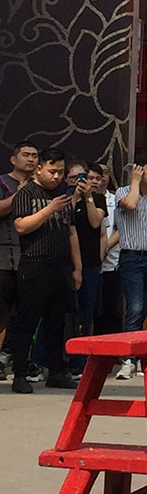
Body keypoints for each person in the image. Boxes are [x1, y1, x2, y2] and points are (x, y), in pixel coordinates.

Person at [7, 148, 81, 394]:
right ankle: (19, 374)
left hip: (61, 265)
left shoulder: (62, 193)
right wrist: (49, 209)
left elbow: (71, 231)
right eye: (52, 171)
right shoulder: (26, 192)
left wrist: (77, 267)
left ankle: (56, 372)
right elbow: (21, 226)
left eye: (60, 171)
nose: (56, 176)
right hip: (35, 264)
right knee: (27, 321)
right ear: (39, 168)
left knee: (57, 321)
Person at [113, 154, 147, 380]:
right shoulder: (124, 192)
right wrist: (134, 181)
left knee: (143, 309)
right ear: (138, 170)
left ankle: (134, 354)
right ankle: (127, 359)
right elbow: (131, 205)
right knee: (133, 308)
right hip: (131, 258)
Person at [0, 140, 40, 355]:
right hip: (4, 256)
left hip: (33, 257)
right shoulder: (3, 182)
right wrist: (20, 194)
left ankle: (22, 360)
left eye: (34, 155)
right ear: (14, 159)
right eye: (26, 154)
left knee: (27, 313)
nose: (31, 159)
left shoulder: (42, 184)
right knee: (2, 312)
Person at [67, 161, 107, 371]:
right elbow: (66, 218)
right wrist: (74, 196)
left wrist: (88, 196)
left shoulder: (98, 199)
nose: (81, 183)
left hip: (90, 263)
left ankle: (80, 363)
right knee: (62, 314)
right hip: (65, 263)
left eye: (85, 178)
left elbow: (95, 222)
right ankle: (50, 361)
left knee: (86, 314)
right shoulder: (64, 198)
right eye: (76, 179)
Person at [96, 162, 123, 335]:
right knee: (94, 310)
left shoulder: (116, 200)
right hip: (91, 263)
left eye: (105, 173)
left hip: (112, 263)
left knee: (112, 309)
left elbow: (120, 229)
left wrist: (104, 248)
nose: (102, 177)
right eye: (97, 175)